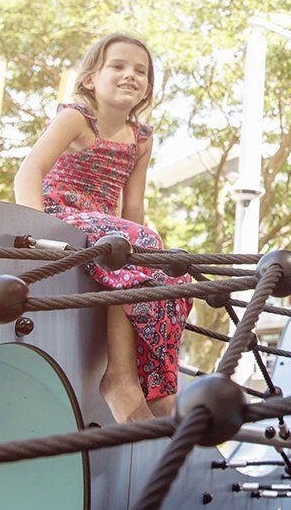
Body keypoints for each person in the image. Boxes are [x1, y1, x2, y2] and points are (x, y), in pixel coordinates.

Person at [15, 33, 192, 423]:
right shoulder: (77, 118)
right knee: (141, 244)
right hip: (58, 216)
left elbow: (133, 206)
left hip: (108, 232)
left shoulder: (141, 139)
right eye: (118, 66)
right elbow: (29, 171)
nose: (130, 75)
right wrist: (32, 234)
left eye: (140, 71)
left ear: (148, 86)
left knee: (171, 273)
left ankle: (160, 386)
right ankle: (121, 377)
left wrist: (148, 261)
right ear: (92, 77)